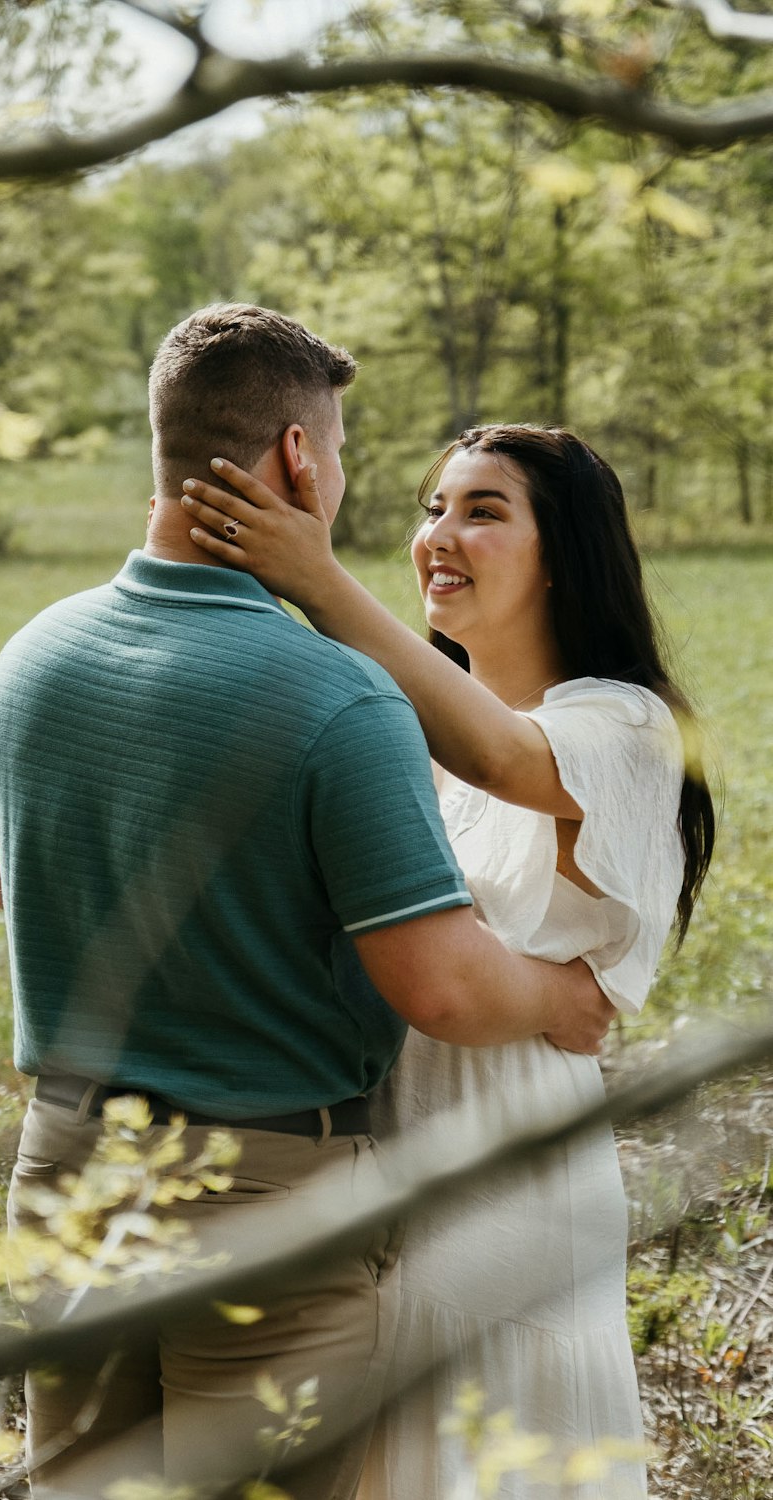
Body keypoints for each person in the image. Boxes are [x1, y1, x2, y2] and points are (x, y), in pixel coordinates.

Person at [0, 309, 616, 1500]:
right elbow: (439, 984)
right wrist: (562, 995)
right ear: (297, 458)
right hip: (262, 1197)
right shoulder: (339, 700)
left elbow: (21, 897)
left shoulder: (28, 660)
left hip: (63, 1162)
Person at [178, 422, 715, 1499]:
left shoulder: (621, 724)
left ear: (565, 552)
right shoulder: (406, 731)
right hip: (372, 1137)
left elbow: (506, 755)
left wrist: (317, 581)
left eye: (483, 511)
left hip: (504, 1149)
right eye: (433, 507)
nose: (440, 534)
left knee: (473, 1449)